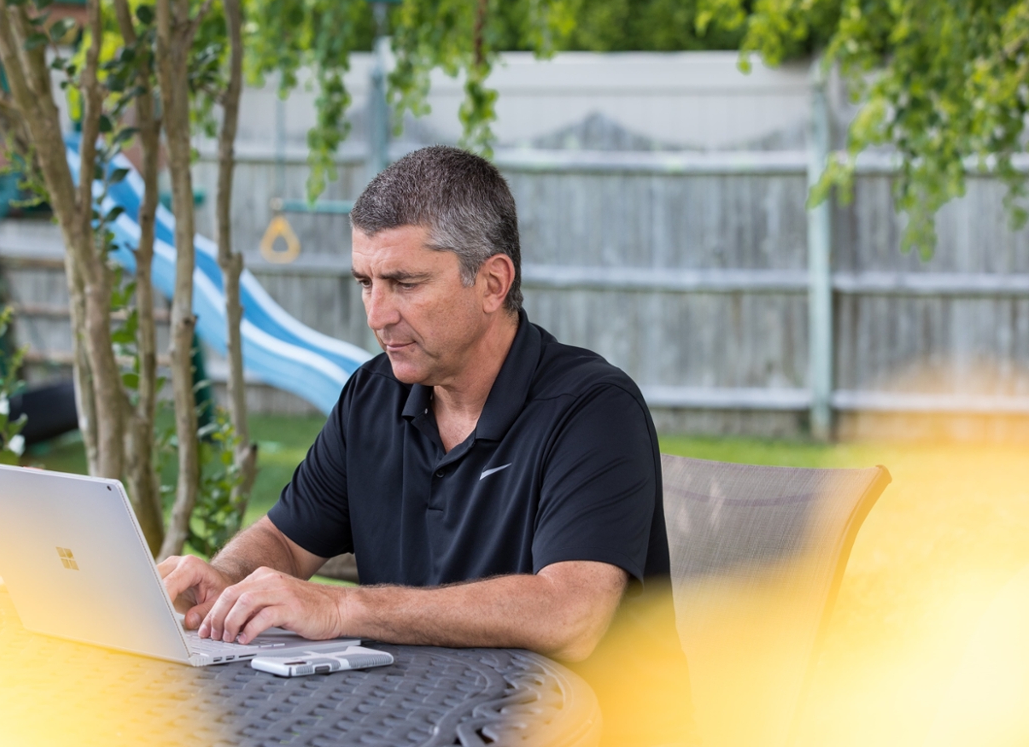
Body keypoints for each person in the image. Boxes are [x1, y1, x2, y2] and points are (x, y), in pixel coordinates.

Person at [161, 147, 695, 742]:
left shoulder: (592, 409)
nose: (376, 314)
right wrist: (227, 577)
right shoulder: (372, 396)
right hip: (417, 723)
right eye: (365, 282)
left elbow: (570, 613)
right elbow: (286, 540)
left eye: (404, 283)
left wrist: (342, 609)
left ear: (493, 282)